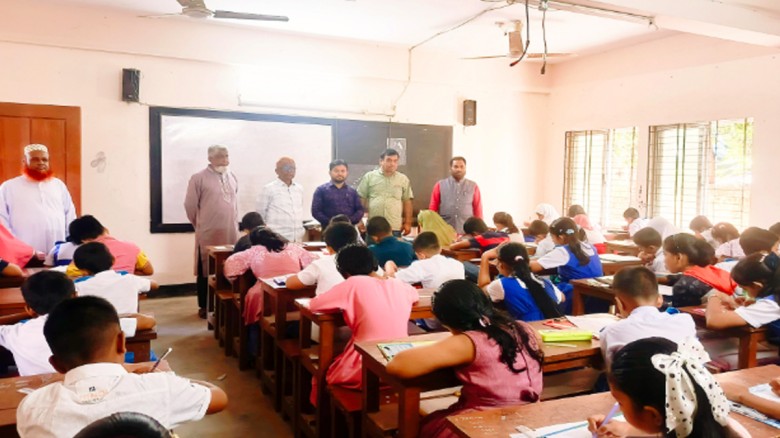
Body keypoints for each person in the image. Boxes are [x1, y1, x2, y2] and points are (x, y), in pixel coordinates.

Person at [16, 296, 227, 437]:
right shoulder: (161, 387)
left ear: (56, 364)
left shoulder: (32, 406)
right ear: (121, 342)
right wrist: (169, 377)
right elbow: (218, 397)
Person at [386, 280, 543, 438]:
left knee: (425, 427)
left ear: (444, 320)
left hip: (487, 421)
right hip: (532, 414)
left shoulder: (469, 341)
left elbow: (398, 366)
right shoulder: (525, 329)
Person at [308, 245, 418, 405]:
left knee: (322, 375)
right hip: (401, 362)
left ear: (343, 272)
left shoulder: (353, 283)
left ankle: (321, 416)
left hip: (363, 364)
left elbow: (315, 305)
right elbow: (414, 295)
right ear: (374, 264)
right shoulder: (399, 284)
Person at [588, 337, 746, 438]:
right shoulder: (724, 425)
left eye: (621, 403)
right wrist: (627, 430)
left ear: (653, 415)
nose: (618, 408)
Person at [599, 267, 696, 368]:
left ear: (620, 304)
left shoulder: (611, 331)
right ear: (660, 299)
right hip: (684, 377)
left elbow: (611, 371)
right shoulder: (685, 321)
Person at [184, 145, 239, 319]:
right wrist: (201, 225)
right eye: (221, 157)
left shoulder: (232, 176)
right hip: (208, 233)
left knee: (228, 266)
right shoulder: (198, 178)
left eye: (227, 156)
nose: (225, 160)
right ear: (210, 159)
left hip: (230, 231)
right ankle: (203, 306)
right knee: (205, 269)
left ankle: (225, 305)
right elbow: (190, 206)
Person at [223, 227, 313, 327]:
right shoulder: (293, 247)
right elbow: (312, 263)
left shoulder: (254, 251)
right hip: (294, 290)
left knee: (254, 297)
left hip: (265, 294)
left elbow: (231, 267)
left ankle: (255, 335)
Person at [0, 144, 76, 253]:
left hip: (57, 249)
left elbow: (70, 214)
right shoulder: (9, 187)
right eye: (35, 159)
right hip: (24, 251)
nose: (41, 163)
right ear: (24, 161)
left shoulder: (58, 185)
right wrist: (15, 246)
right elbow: (2, 219)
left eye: (44, 160)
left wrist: (69, 241)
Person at [0, 271, 75, 375]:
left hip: (37, 386)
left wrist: (27, 314)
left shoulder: (16, 333)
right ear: (75, 296)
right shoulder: (94, 323)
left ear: (29, 309)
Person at [531, 217, 603, 313]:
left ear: (561, 237)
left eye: (552, 237)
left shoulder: (563, 251)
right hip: (596, 296)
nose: (552, 240)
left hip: (572, 295)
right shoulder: (589, 246)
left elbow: (534, 266)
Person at [479, 243, 562, 322]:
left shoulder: (502, 284)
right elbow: (562, 297)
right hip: (551, 327)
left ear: (501, 264)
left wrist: (485, 256)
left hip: (527, 328)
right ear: (528, 262)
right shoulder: (545, 282)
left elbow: (482, 290)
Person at [706, 253, 780, 340]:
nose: (745, 293)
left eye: (745, 289)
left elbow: (714, 321)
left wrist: (716, 295)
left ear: (757, 285)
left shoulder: (771, 304)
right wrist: (756, 301)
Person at [72, 242, 158, 315]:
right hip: (129, 325)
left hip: (96, 327)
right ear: (113, 260)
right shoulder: (128, 278)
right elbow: (154, 285)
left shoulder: (78, 286)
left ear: (83, 271)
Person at [64, 215, 154, 277]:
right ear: (105, 229)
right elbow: (149, 271)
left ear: (84, 241)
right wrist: (127, 273)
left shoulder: (86, 253)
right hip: (126, 293)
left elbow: (71, 274)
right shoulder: (133, 247)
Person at [663, 233, 735, 308]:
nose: (664, 260)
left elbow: (679, 313)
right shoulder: (709, 270)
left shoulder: (683, 286)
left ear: (678, 258)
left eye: (665, 254)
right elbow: (684, 277)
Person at [286, 222, 358, 295]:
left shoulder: (321, 264)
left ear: (328, 248)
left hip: (329, 302)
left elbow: (291, 284)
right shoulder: (362, 261)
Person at [356, 149, 414, 236]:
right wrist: (359, 220)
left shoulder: (403, 179)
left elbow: (407, 201)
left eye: (395, 161)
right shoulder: (369, 177)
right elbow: (361, 199)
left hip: (394, 227)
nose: (392, 164)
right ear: (381, 161)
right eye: (389, 160)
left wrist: (408, 223)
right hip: (373, 227)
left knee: (393, 245)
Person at [384, 231, 465, 289]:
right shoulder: (458, 264)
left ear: (421, 255)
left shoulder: (421, 266)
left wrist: (389, 264)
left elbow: (391, 279)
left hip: (436, 304)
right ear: (440, 249)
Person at [428, 157, 482, 234]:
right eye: (456, 167)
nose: (459, 169)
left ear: (465, 169)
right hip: (445, 230)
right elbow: (433, 208)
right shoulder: (440, 185)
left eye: (461, 167)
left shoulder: (473, 186)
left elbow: (478, 209)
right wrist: (431, 226)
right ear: (450, 169)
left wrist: (479, 230)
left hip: (467, 231)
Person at [257, 157, 305, 243]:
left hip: (297, 237)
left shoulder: (299, 189)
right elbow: (260, 214)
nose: (290, 170)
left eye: (293, 168)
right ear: (277, 171)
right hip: (276, 238)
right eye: (286, 167)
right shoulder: (268, 189)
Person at [311, 159, 364, 228]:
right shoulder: (321, 190)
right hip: (328, 229)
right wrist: (330, 222)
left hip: (349, 229)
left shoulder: (352, 192)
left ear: (347, 173)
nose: (340, 173)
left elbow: (360, 210)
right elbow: (316, 211)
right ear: (330, 172)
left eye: (343, 171)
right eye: (336, 171)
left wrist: (349, 221)